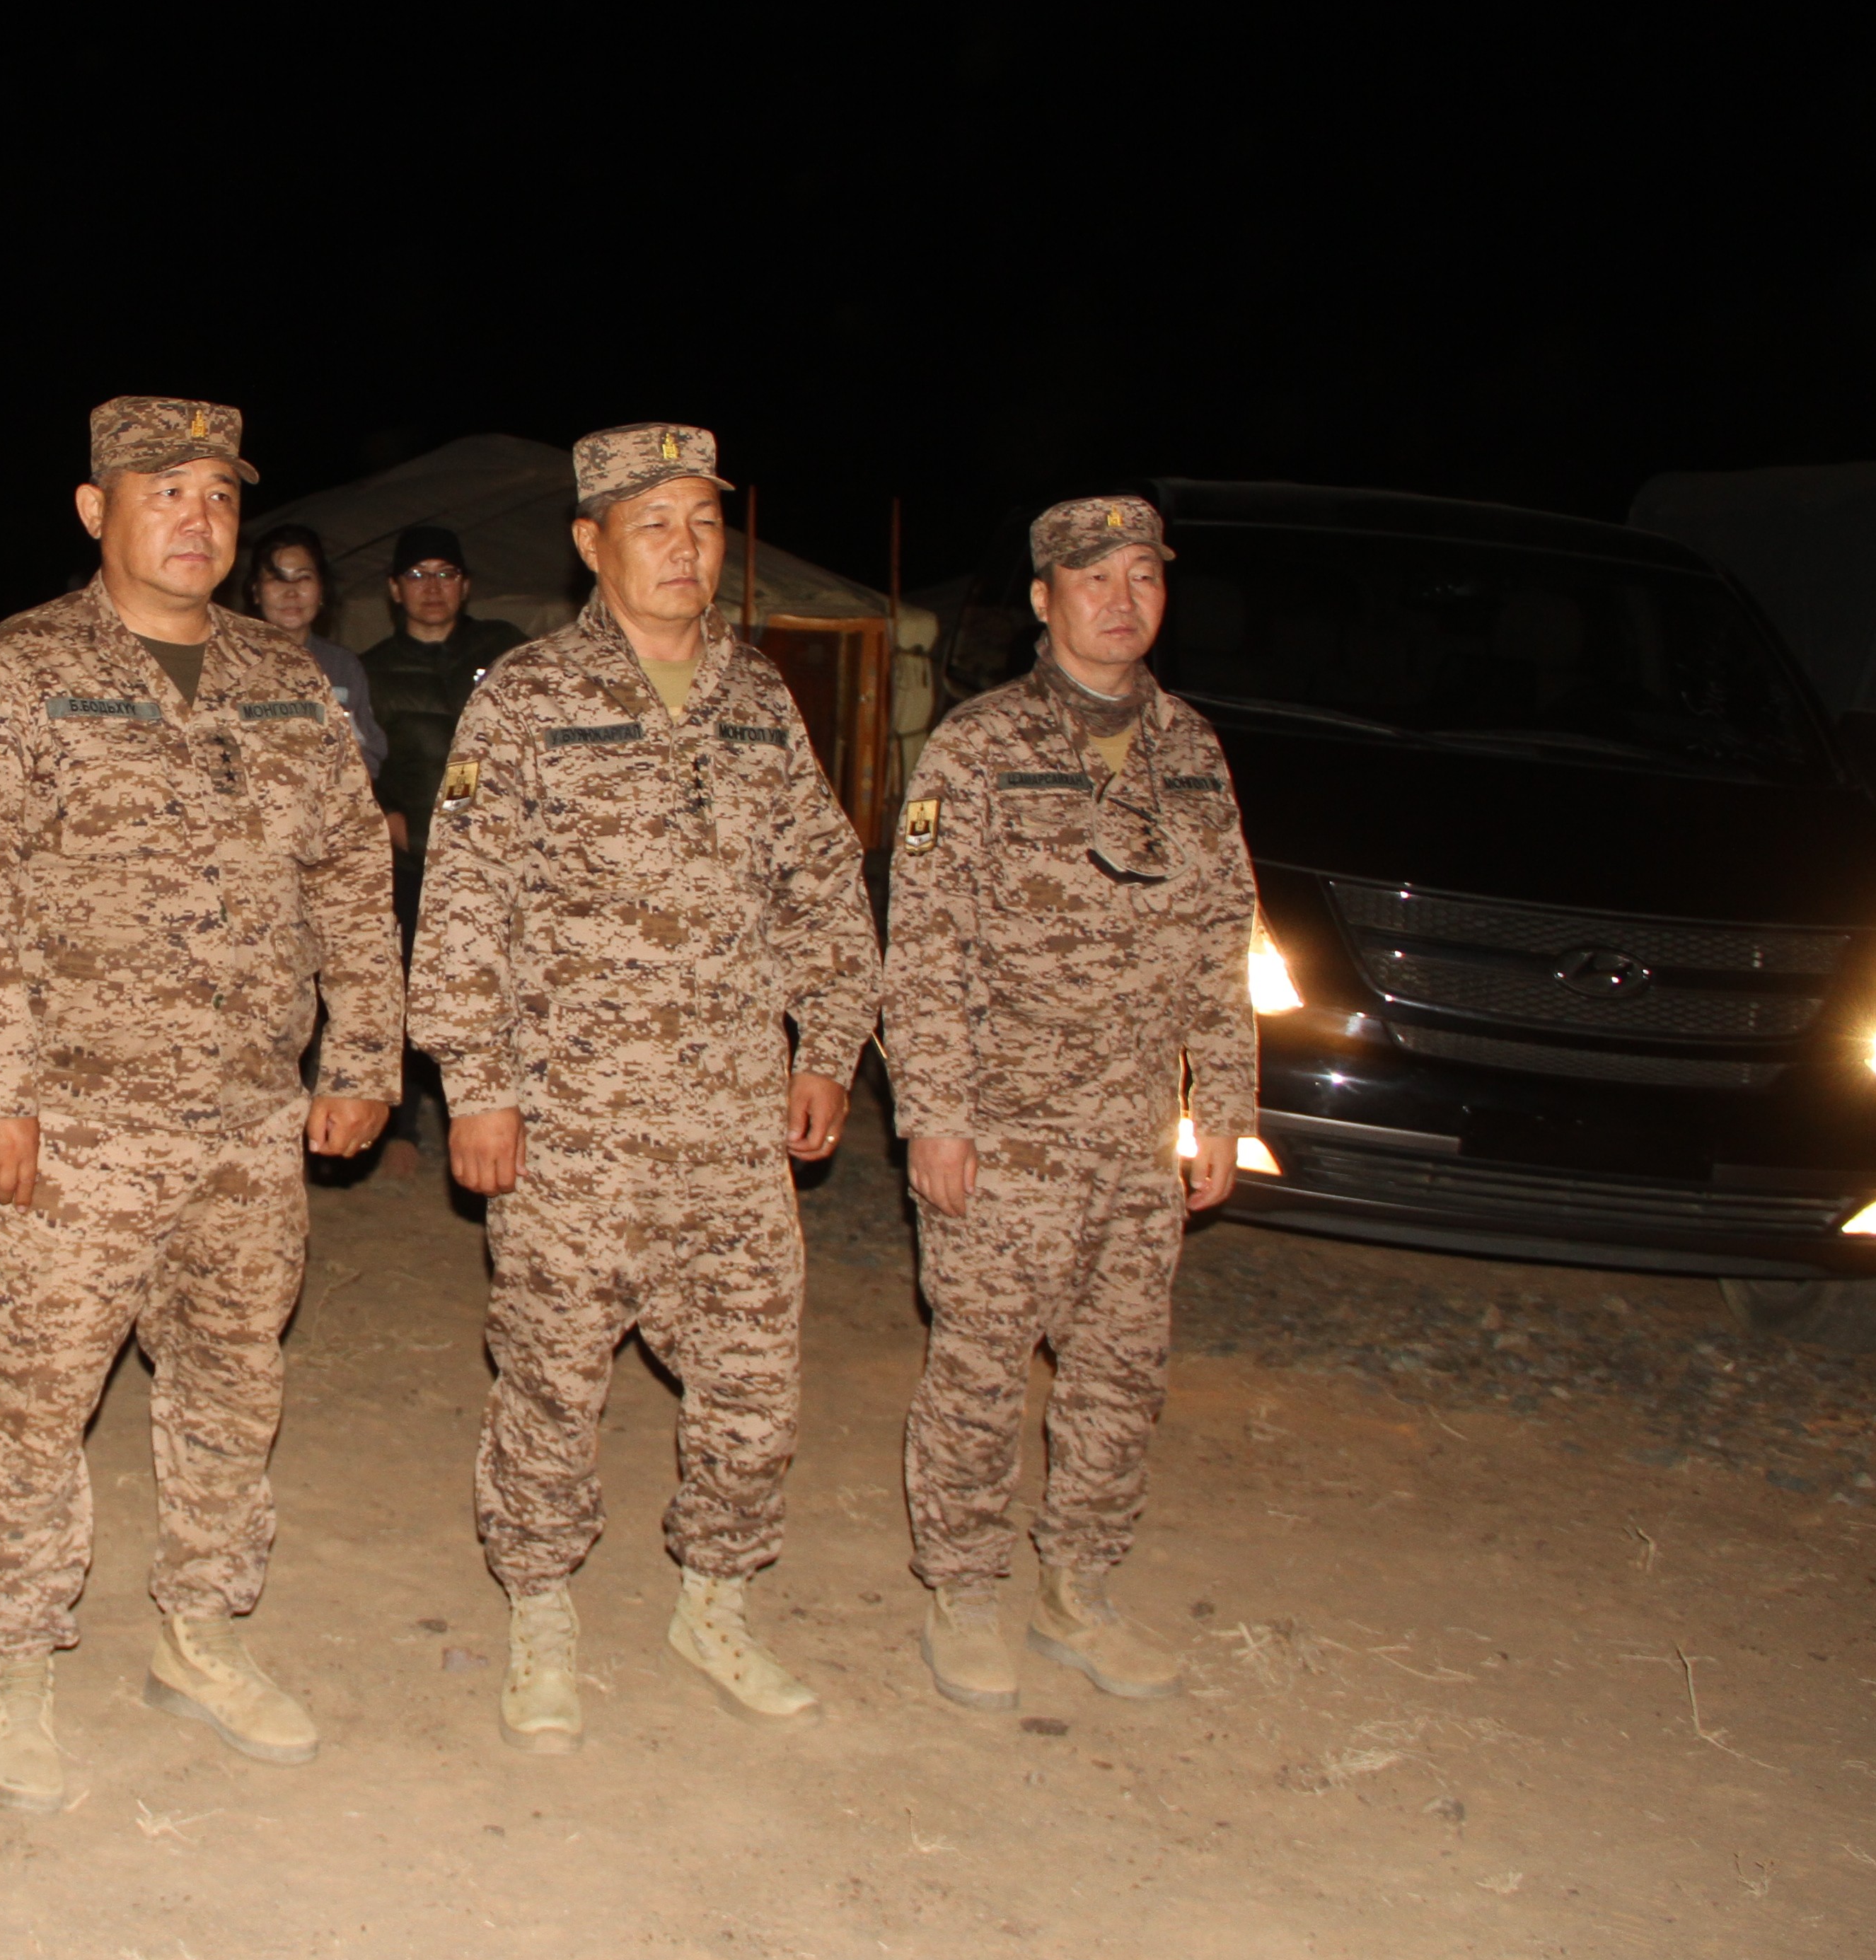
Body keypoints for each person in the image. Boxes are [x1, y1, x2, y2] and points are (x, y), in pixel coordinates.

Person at [0, 395, 401, 1815]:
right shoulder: (19, 673)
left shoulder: (286, 682)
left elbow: (349, 878)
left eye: (219, 494)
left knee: (234, 1384)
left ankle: (201, 1630)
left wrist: (364, 1054)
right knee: (34, 1397)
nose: (197, 517)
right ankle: (12, 1655)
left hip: (248, 1120)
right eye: (164, 490)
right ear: (94, 509)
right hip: (73, 1125)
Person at [408, 424, 879, 1752]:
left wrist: (828, 1047)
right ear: (589, 542)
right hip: (573, 1130)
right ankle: (541, 1607)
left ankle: (714, 1603)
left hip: (731, 1125)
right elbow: (464, 903)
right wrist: (477, 1084)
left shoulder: (757, 696)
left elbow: (823, 885)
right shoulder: (525, 697)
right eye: (653, 523)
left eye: (703, 522)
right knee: (551, 1386)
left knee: (753, 1385)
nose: (685, 548)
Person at [879, 494, 1254, 1716]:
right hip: (1004, 1134)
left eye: (1143, 575)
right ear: (1043, 600)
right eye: (1094, 578)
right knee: (980, 1372)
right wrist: (933, 1115)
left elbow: (1223, 941)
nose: (1122, 598)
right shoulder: (977, 746)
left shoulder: (1191, 751)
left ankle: (1079, 1591)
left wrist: (1223, 1107)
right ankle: (964, 1590)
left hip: (1135, 1137)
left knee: (1121, 1374)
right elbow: (923, 947)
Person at [361, 523, 527, 1171]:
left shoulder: (506, 651)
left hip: (502, 857)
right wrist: (390, 821)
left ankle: (509, 1109)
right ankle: (403, 1127)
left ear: (467, 585)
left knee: (506, 984)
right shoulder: (372, 669)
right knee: (407, 986)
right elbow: (353, 766)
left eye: (445, 574)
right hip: (412, 858)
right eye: (418, 575)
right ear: (394, 589)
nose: (432, 588)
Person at [239, 523, 386, 782]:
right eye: (277, 578)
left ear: (321, 591)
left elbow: (366, 751)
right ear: (256, 592)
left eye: (303, 577)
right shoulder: (229, 662)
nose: (291, 592)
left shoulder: (342, 666)